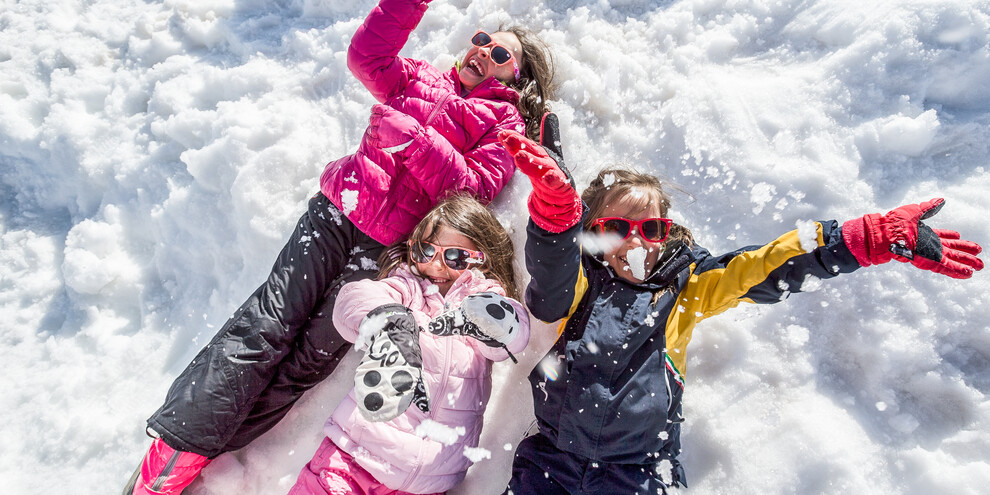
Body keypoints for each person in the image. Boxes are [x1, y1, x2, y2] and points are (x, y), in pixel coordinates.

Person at [123, 0, 556, 492]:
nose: (483, 50)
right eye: (481, 39)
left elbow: (473, 191)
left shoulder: (504, 126)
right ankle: (168, 465)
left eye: (500, 53)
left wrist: (414, 141)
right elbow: (367, 57)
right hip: (337, 212)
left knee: (308, 359)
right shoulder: (418, 79)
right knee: (261, 330)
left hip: (388, 251)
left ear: (516, 78)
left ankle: (204, 449)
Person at [494, 120, 985, 494]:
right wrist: (555, 215)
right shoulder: (584, 281)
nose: (635, 244)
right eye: (617, 229)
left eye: (652, 230)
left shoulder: (685, 286)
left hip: (640, 472)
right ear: (593, 235)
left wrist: (862, 239)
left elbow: (767, 266)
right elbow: (551, 275)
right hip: (550, 463)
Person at [288, 194, 530, 495]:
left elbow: (512, 337)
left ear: (481, 259)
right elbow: (354, 300)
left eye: (454, 257)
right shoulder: (409, 288)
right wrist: (387, 319)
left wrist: (487, 314)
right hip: (354, 458)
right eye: (425, 250)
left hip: (430, 481)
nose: (436, 265)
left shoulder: (482, 307)